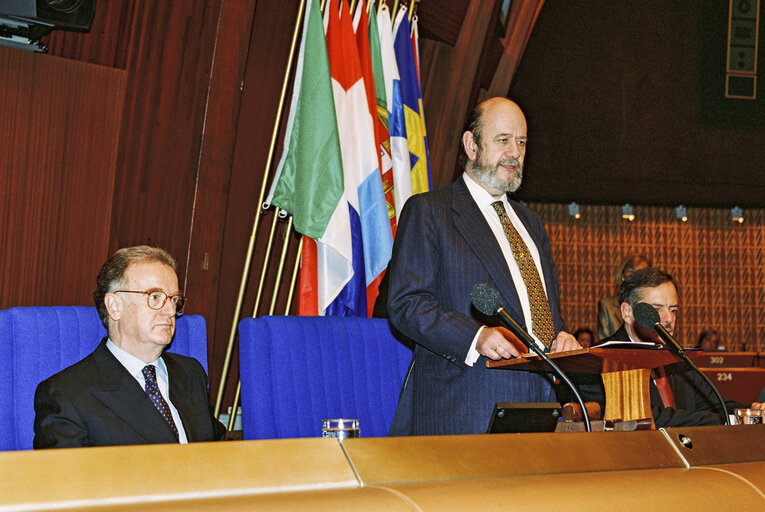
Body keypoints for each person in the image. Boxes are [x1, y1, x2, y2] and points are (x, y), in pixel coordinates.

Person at [386, 97, 579, 436]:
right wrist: (476, 336)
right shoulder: (431, 211)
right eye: (503, 140)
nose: (515, 153)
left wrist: (561, 337)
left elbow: (542, 313)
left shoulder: (531, 223)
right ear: (471, 145)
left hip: (538, 404)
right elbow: (406, 304)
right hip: (465, 405)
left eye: (521, 143)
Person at [34, 246, 226, 448]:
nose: (170, 310)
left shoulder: (190, 373)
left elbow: (218, 455)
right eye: (155, 297)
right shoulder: (67, 395)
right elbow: (67, 478)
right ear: (115, 306)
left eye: (174, 299)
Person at [594, 267, 763, 427]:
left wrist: (754, 412)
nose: (668, 318)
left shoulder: (677, 358)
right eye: (656, 309)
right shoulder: (600, 359)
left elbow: (714, 404)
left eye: (673, 310)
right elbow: (646, 418)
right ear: (627, 313)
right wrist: (727, 419)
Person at [597, 254, 650, 339]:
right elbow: (604, 344)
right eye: (631, 271)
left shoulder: (653, 306)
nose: (635, 276)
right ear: (622, 275)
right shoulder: (607, 305)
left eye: (640, 272)